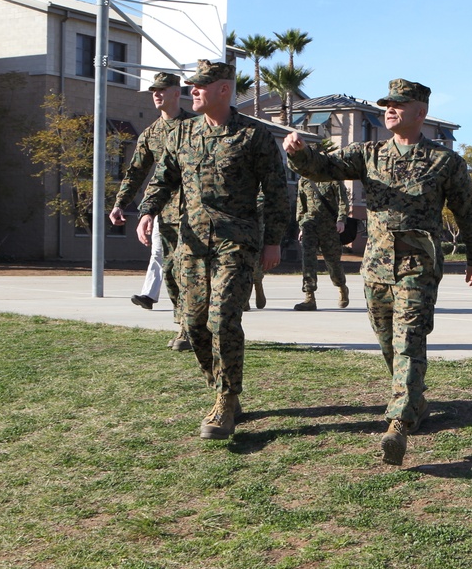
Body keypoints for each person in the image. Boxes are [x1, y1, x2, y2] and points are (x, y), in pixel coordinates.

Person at [284, 78, 472, 466]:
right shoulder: (368, 152)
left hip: (417, 266)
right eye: (387, 104)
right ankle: (415, 400)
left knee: (409, 339)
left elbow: (465, 212)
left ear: (420, 113)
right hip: (375, 267)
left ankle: (398, 425)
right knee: (388, 343)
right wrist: (299, 154)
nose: (389, 109)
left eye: (399, 104)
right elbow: (325, 168)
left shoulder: (445, 162)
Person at [137, 59, 288, 440]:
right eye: (192, 86)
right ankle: (219, 386)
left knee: (222, 320)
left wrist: (273, 242)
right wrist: (147, 212)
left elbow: (276, 194)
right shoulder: (183, 133)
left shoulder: (253, 136)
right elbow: (164, 176)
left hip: (235, 243)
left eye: (201, 86)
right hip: (190, 243)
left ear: (224, 89)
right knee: (193, 324)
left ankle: (225, 400)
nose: (193, 92)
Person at [109, 71, 192, 350]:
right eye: (153, 90)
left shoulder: (197, 125)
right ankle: (185, 329)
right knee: (170, 269)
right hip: (165, 210)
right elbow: (135, 173)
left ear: (175, 92)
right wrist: (121, 203)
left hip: (199, 211)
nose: (156, 94)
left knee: (194, 270)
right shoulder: (151, 133)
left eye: (161, 89)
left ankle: (202, 325)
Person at [293, 176, 351, 311]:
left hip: (329, 226)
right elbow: (301, 205)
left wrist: (341, 220)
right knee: (308, 260)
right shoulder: (304, 180)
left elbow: (343, 201)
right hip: (309, 225)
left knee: (332, 261)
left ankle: (341, 286)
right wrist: (302, 225)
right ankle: (309, 297)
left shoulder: (333, 179)